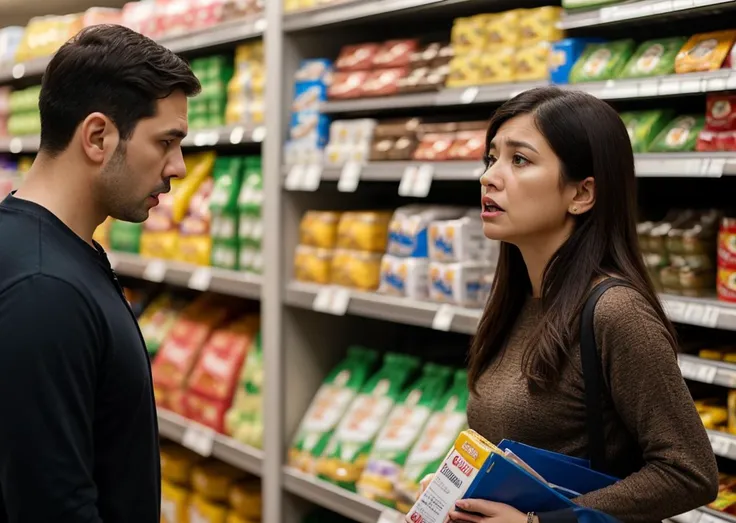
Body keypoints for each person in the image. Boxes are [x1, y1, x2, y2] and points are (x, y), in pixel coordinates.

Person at [420, 87, 719, 523]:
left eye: (519, 160)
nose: (489, 176)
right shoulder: (518, 301)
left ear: (582, 194)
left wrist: (539, 522)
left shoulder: (615, 312)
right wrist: (457, 488)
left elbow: (689, 473)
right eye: (491, 158)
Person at [0, 24, 200, 522]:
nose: (178, 167)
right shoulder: (45, 290)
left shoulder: (43, 253)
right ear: (97, 137)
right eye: (166, 142)